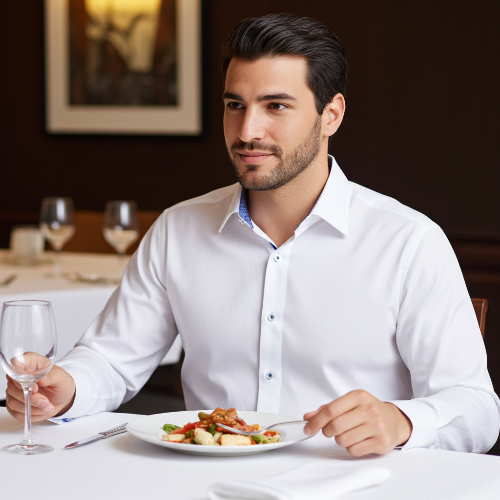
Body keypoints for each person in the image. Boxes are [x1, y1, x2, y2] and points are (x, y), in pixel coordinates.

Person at [5, 13, 499, 456]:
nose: (247, 131)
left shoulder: (408, 242)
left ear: (331, 114)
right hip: (197, 484)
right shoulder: (178, 229)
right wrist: (67, 386)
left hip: (352, 486)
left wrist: (403, 422)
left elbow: (477, 411)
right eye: (235, 105)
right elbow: (111, 360)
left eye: (276, 106)